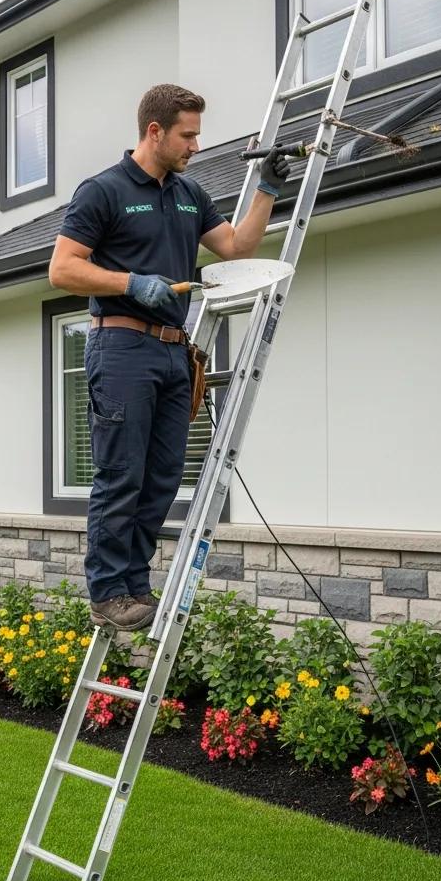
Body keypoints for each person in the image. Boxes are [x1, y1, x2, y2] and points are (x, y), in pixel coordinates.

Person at [49, 84, 290, 630]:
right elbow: (62, 269)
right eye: (188, 134)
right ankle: (108, 591)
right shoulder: (104, 191)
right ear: (154, 130)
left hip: (175, 353)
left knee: (161, 477)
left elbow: (236, 247)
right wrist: (130, 282)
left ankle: (134, 583)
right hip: (121, 345)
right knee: (121, 473)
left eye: (197, 134)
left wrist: (268, 190)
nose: (196, 145)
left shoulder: (189, 193)